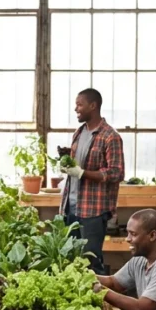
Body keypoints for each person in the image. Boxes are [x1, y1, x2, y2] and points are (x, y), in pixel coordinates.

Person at [58, 88, 125, 275]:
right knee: (71, 260)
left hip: (93, 211)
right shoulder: (79, 133)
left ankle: (99, 302)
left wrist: (81, 173)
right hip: (71, 208)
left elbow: (116, 172)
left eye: (80, 104)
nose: (76, 109)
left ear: (93, 106)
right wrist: (67, 162)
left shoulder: (110, 137)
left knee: (91, 261)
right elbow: (77, 167)